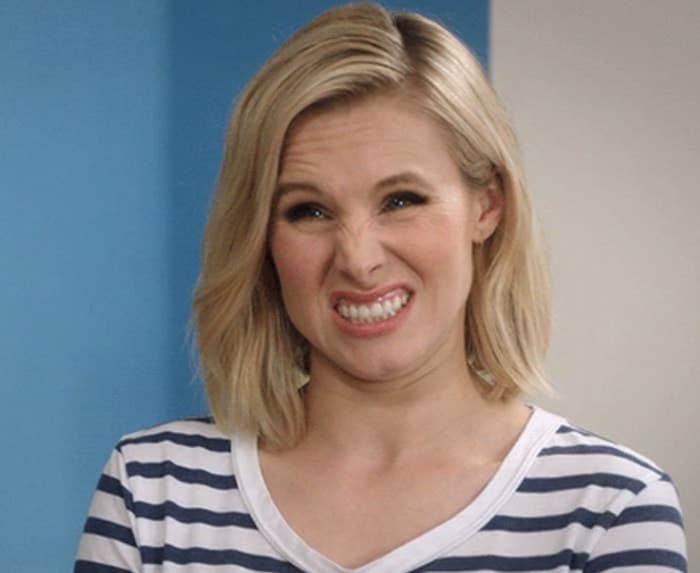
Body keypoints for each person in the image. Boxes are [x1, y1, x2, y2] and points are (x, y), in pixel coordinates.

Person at [74, 4, 687, 572]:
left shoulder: (611, 509)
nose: (359, 260)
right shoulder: (153, 491)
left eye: (401, 200)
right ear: (262, 237)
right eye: (308, 211)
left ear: (487, 205)